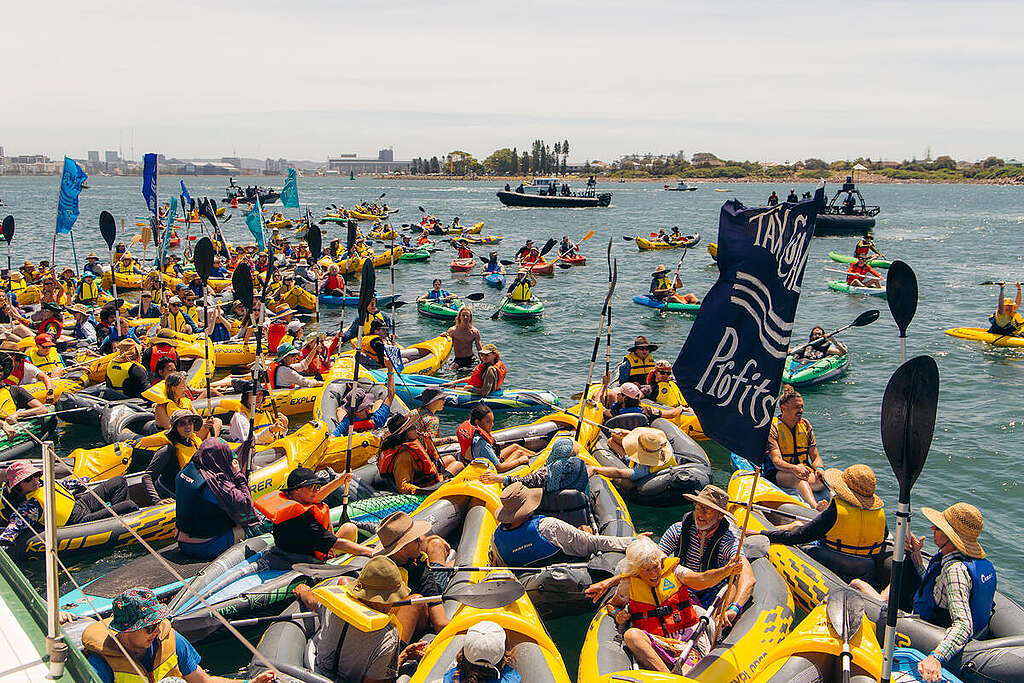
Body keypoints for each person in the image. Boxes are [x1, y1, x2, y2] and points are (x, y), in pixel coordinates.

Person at [852, 502, 996, 683]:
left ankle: (860, 586)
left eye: (938, 527)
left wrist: (936, 657)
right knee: (907, 570)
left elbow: (964, 626)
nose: (932, 528)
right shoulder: (974, 563)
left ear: (949, 537)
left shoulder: (955, 570)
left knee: (858, 585)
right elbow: (938, 589)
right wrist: (916, 558)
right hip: (976, 633)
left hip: (932, 629)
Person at [586, 485, 755, 626]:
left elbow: (747, 578)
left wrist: (734, 608)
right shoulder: (678, 530)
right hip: (682, 584)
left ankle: (715, 632)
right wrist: (610, 582)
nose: (700, 514)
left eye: (707, 510)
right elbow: (650, 564)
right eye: (698, 508)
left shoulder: (728, 540)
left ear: (720, 515)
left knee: (730, 587)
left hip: (713, 588)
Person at [601, 537, 740, 675]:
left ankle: (675, 675)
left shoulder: (675, 571)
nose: (654, 574)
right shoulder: (629, 583)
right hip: (656, 643)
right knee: (631, 635)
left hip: (688, 641)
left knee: (688, 673)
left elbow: (702, 579)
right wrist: (617, 613)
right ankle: (667, 676)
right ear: (637, 570)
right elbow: (612, 605)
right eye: (647, 570)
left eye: (655, 567)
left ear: (659, 561)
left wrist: (725, 571)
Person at [82, 586, 276, 683]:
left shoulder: (171, 641)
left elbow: (204, 681)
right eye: (149, 627)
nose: (157, 631)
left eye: (157, 623)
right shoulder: (101, 665)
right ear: (126, 630)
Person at [291, 556, 424, 683]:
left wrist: (303, 591)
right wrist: (403, 656)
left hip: (316, 671)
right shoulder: (387, 636)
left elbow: (312, 601)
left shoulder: (334, 605)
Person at [752, 464, 887, 582]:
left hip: (840, 560)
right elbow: (883, 537)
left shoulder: (837, 510)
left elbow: (800, 536)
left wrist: (764, 533)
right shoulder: (878, 512)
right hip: (867, 564)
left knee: (803, 547)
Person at [0, 460, 137, 551]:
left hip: (81, 504)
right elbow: (15, 526)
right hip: (79, 522)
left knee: (119, 481)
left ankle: (117, 526)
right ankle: (121, 524)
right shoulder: (29, 506)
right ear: (18, 486)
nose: (35, 480)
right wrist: (6, 539)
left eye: (36, 475)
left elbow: (63, 484)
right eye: (28, 479)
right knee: (128, 505)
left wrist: (80, 482)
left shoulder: (41, 482)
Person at [491, 482, 633, 567]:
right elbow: (592, 543)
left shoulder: (496, 539)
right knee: (585, 530)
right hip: (569, 572)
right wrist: (631, 541)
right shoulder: (547, 526)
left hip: (530, 586)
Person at [255, 467, 373, 561]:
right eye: (312, 487)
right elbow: (337, 543)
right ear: (297, 489)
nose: (316, 491)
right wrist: (370, 552)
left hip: (296, 547)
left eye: (317, 487)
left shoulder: (291, 501)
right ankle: (339, 559)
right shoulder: (302, 519)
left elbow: (316, 496)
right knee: (350, 528)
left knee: (348, 527)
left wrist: (340, 481)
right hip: (308, 556)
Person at [370, 510, 455, 635]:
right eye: (416, 540)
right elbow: (440, 623)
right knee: (437, 547)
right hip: (428, 593)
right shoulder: (421, 572)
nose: (420, 540)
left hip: (418, 587)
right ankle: (447, 566)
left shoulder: (377, 568)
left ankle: (445, 564)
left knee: (434, 543)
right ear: (403, 548)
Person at [763, 386, 827, 509]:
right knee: (798, 479)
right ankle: (815, 507)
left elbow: (815, 456)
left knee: (826, 477)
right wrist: (794, 468)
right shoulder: (773, 428)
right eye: (796, 407)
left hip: (804, 471)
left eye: (802, 407)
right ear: (783, 408)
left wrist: (819, 468)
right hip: (778, 473)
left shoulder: (806, 425)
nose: (801, 410)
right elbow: (776, 461)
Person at [142, 410, 218, 501]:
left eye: (190, 422)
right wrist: (157, 500)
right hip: (173, 494)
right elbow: (147, 477)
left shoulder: (195, 442)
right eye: (182, 424)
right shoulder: (168, 450)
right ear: (175, 428)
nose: (188, 427)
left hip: (193, 489)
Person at [378, 411, 458, 495]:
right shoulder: (403, 456)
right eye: (412, 427)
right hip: (426, 487)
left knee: (450, 458)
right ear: (405, 434)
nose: (416, 428)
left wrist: (428, 443)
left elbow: (433, 459)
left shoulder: (412, 443)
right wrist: (423, 491)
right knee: (457, 465)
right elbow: (402, 485)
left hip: (427, 476)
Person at [456, 404, 531, 472]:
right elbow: (499, 468)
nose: (492, 425)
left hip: (482, 460)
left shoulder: (473, 430)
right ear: (477, 422)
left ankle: (537, 455)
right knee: (519, 453)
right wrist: (520, 461)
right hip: (489, 469)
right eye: (488, 422)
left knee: (515, 446)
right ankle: (537, 459)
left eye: (492, 421)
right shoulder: (482, 444)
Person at [332, 369, 396, 437]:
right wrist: (390, 369)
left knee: (340, 410)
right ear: (366, 406)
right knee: (379, 402)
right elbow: (390, 395)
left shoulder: (346, 423)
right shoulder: (377, 419)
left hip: (353, 439)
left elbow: (332, 437)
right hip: (371, 438)